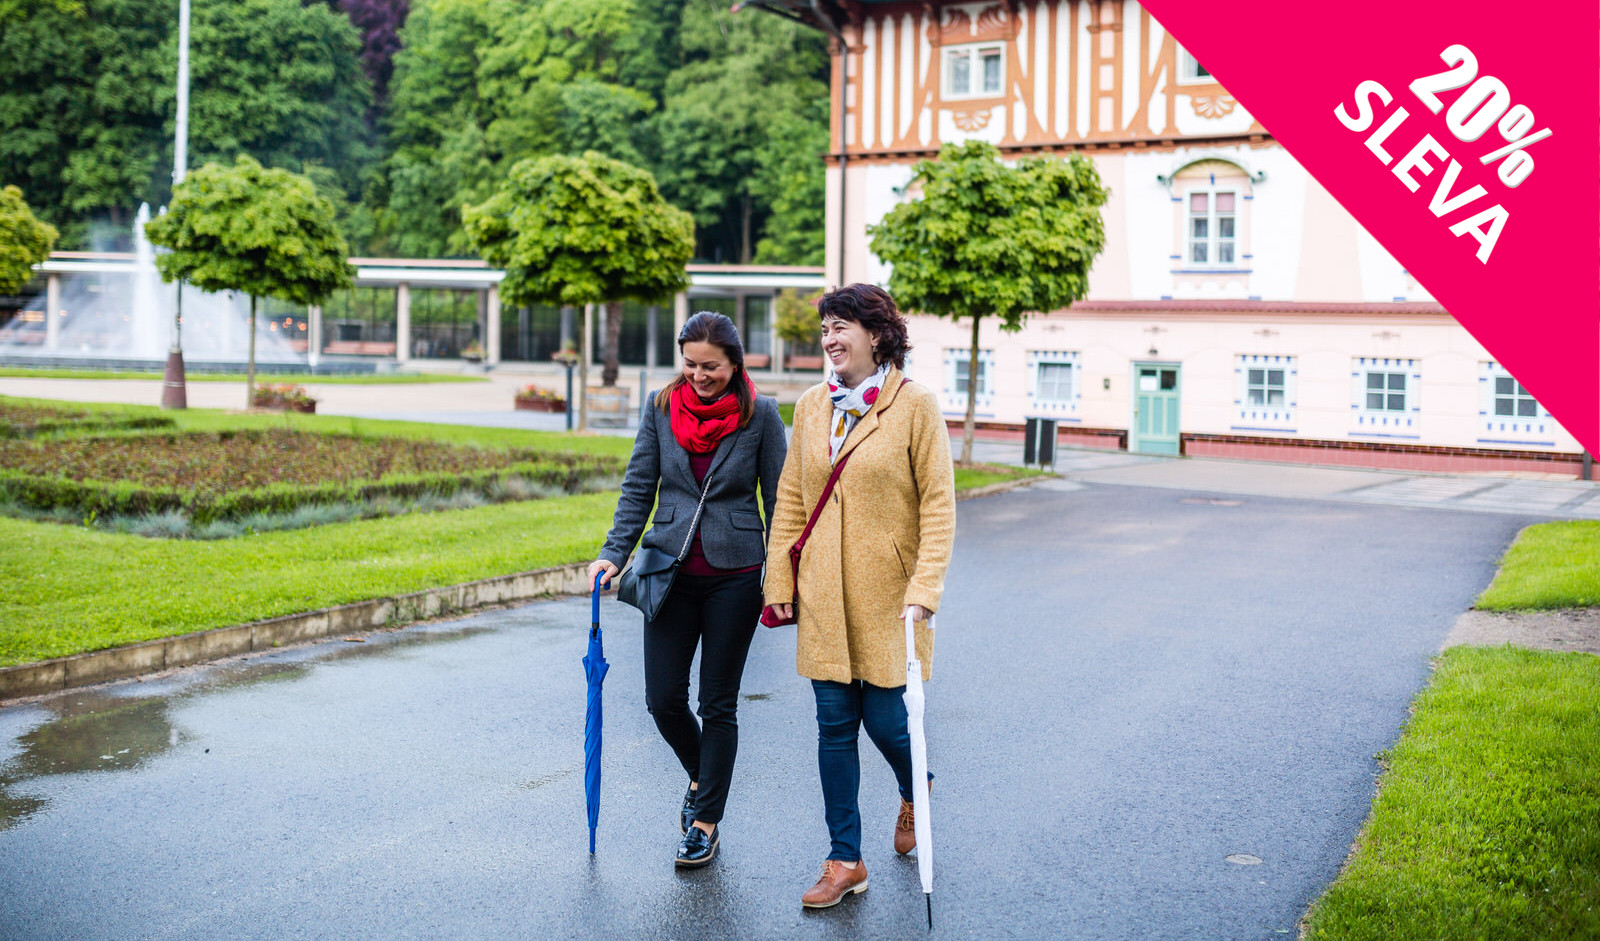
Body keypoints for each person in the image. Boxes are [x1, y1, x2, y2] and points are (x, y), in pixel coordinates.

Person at [762, 283, 956, 909]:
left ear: (877, 334)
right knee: (833, 725)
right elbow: (792, 497)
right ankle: (845, 859)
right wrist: (779, 580)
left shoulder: (915, 405)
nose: (830, 339)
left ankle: (914, 784)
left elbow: (939, 506)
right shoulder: (812, 406)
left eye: (841, 326)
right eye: (825, 330)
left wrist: (924, 589)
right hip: (822, 593)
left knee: (887, 722)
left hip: (890, 600)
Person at [588, 311, 787, 868]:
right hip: (667, 573)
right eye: (691, 365)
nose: (700, 376)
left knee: (717, 703)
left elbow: (779, 500)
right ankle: (703, 777)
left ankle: (704, 822)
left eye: (712, 367)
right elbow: (637, 487)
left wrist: (782, 575)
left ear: (735, 363)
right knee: (663, 700)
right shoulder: (659, 407)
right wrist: (612, 553)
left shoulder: (762, 414)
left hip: (738, 575)